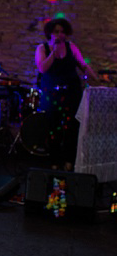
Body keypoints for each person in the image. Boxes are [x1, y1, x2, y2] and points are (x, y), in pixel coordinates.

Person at [35, 17, 99, 168]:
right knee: (53, 128)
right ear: (50, 33)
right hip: (52, 95)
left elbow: (83, 65)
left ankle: (69, 161)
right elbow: (43, 68)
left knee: (72, 128)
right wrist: (54, 52)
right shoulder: (42, 48)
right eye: (56, 32)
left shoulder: (72, 47)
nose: (60, 35)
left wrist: (96, 78)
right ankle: (54, 162)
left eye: (62, 32)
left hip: (71, 93)